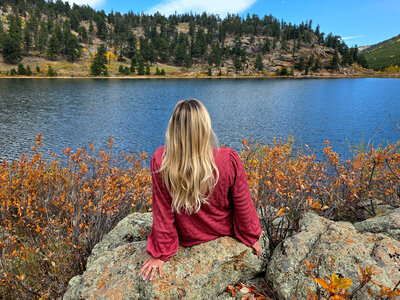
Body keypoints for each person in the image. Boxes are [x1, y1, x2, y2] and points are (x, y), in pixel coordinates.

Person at [139, 99, 262, 281]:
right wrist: (251, 237)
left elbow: (162, 211)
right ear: (205, 126)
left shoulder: (161, 160)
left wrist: (160, 253)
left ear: (173, 128)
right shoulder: (228, 159)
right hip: (223, 232)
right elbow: (243, 204)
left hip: (186, 237)